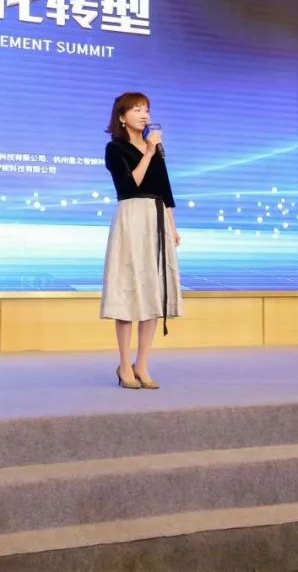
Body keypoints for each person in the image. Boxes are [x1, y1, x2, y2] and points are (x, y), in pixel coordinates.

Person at [100, 92, 182, 390]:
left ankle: (142, 364)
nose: (144, 114)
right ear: (122, 117)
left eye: (146, 108)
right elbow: (129, 185)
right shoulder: (115, 148)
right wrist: (148, 152)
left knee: (152, 294)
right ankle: (124, 366)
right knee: (128, 292)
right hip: (131, 217)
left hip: (156, 218)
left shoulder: (155, 148)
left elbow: (165, 190)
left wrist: (172, 227)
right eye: (137, 109)